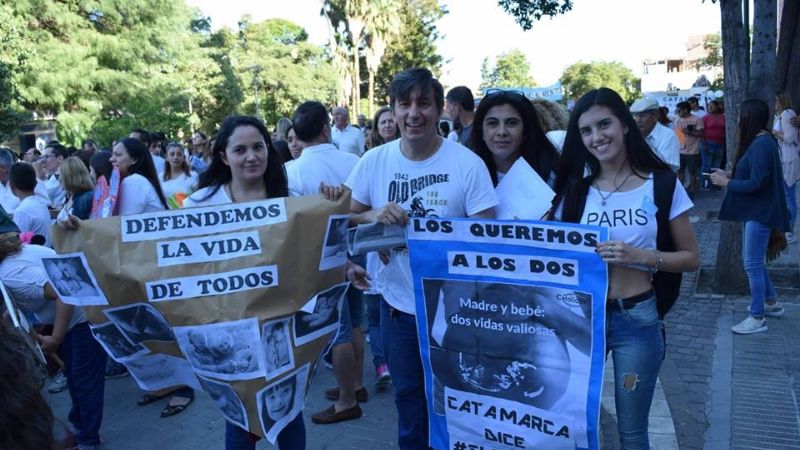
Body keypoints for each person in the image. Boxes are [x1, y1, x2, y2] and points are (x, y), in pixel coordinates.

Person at [345, 68, 498, 449]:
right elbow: (344, 217)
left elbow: (487, 241)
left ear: (439, 109)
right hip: (398, 308)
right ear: (393, 112)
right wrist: (373, 216)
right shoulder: (374, 161)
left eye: (423, 104)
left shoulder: (467, 164)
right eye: (404, 104)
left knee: (457, 401)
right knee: (408, 398)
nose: (414, 113)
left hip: (457, 310)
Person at [550, 87, 699, 448]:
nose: (597, 137)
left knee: (632, 432)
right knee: (570, 421)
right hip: (580, 320)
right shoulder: (574, 192)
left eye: (604, 124)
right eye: (586, 131)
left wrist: (644, 257)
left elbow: (692, 258)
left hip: (638, 318)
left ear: (626, 125)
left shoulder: (661, 183)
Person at [183, 115, 305, 450]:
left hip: (281, 328)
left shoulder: (291, 199)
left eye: (258, 147)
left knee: (288, 413)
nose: (251, 156)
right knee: (239, 419)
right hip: (229, 332)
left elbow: (313, 252)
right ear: (223, 156)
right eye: (240, 149)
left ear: (268, 149)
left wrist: (333, 201)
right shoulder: (200, 203)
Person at [0, 214, 107, 450]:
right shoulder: (19, 256)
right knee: (76, 379)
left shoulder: (10, 272)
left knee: (83, 382)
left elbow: (64, 291)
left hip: (84, 318)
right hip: (80, 316)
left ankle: (88, 440)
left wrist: (56, 337)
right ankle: (81, 431)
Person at [286, 101, 364, 424]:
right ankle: (356, 385)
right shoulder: (354, 161)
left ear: (299, 136)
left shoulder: (292, 171)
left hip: (325, 255)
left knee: (340, 329)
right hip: (358, 245)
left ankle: (347, 400)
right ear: (325, 128)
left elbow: (298, 224)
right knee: (356, 321)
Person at [710, 98, 791, 334]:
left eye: (740, 115)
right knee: (754, 261)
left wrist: (727, 182)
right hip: (757, 211)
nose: (737, 119)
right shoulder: (761, 141)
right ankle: (772, 303)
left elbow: (757, 183)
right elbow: (755, 176)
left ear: (748, 118)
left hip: (760, 212)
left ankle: (757, 317)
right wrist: (728, 174)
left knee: (752, 264)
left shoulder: (762, 143)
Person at [471, 89, 560, 186]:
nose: (502, 132)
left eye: (511, 123)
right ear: (481, 132)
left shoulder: (552, 177)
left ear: (526, 131)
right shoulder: (468, 176)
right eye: (492, 123)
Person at [110, 138, 168, 215]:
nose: (111, 159)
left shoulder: (134, 182)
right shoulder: (138, 180)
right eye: (112, 154)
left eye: (118, 154)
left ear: (135, 159)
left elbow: (124, 223)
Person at [773, 92, 799, 243]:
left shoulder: (788, 114)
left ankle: (789, 232)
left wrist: (773, 133)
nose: (774, 102)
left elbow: (790, 138)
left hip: (788, 160)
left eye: (776, 100)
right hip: (782, 159)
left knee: (788, 196)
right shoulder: (779, 115)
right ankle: (784, 229)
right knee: (783, 196)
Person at [630, 98, 680, 171]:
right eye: (635, 116)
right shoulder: (633, 135)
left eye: (642, 116)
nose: (637, 120)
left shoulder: (668, 136)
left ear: (655, 116)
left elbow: (668, 168)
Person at [10, 162, 51, 246]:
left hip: (33, 257)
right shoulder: (40, 203)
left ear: (11, 185)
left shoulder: (23, 211)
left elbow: (16, 245)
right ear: (35, 183)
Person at [675, 101, 704, 198]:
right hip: (680, 151)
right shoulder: (678, 120)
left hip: (692, 151)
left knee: (692, 172)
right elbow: (678, 135)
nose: (677, 112)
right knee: (680, 171)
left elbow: (701, 134)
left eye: (679, 110)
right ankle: (680, 191)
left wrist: (688, 132)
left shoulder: (697, 119)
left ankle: (693, 191)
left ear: (685, 110)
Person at [57, 157, 95, 223]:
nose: (59, 179)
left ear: (70, 177)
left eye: (61, 175)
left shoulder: (86, 198)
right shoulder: (69, 196)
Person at [34, 142, 68, 209]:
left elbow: (39, 196)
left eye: (46, 157)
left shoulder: (60, 175)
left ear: (60, 159)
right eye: (42, 157)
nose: (42, 161)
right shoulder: (53, 176)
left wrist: (37, 175)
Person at [702, 100, 726, 189]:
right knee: (707, 165)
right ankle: (706, 184)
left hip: (721, 144)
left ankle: (716, 184)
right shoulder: (705, 118)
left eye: (712, 106)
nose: (710, 107)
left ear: (717, 106)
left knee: (717, 165)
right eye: (709, 106)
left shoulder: (723, 117)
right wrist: (703, 143)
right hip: (708, 143)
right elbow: (701, 131)